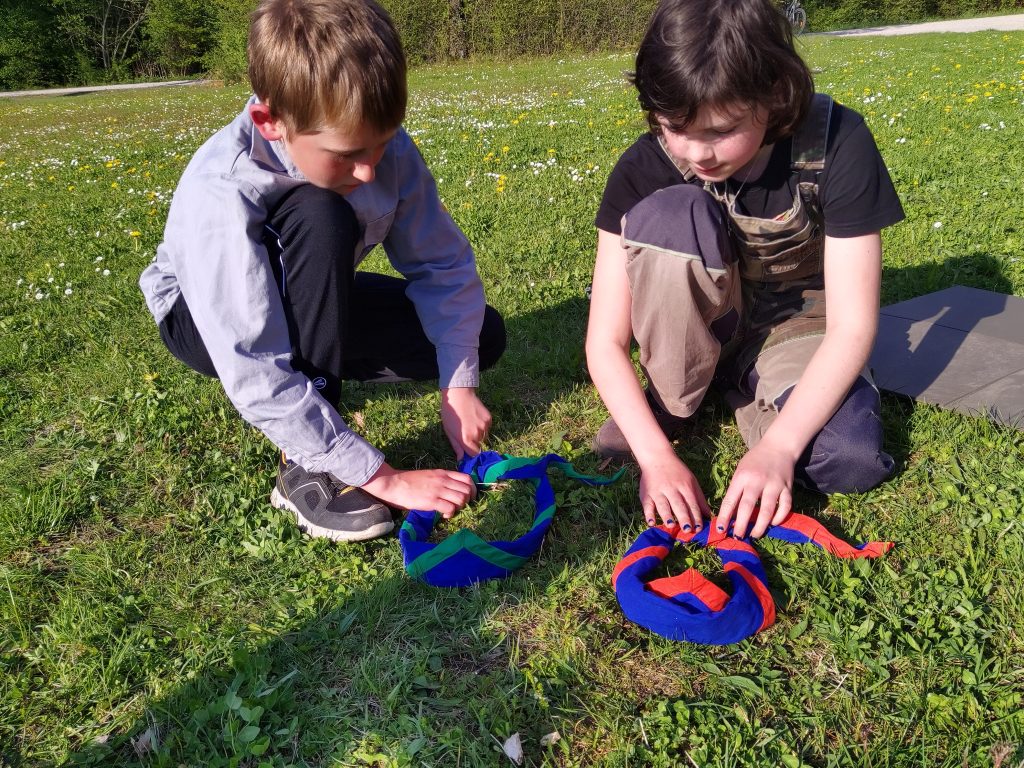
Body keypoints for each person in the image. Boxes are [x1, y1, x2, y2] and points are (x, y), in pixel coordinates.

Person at [139, 0, 505, 542]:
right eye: (349, 153)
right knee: (321, 213)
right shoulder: (219, 190)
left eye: (383, 143)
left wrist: (458, 386)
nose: (370, 169)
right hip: (203, 319)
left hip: (300, 295)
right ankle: (308, 463)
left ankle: (317, 387)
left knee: (483, 335)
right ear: (271, 123)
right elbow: (252, 361)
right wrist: (381, 476)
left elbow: (442, 264)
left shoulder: (379, 150)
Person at [586, 0, 901, 540]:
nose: (697, 152)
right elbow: (604, 343)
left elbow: (853, 326)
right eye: (674, 128)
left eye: (722, 129)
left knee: (847, 459)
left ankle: (740, 384)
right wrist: (655, 456)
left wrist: (779, 449)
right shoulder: (645, 166)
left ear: (776, 95)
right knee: (669, 211)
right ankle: (680, 397)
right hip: (699, 325)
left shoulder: (838, 142)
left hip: (799, 326)